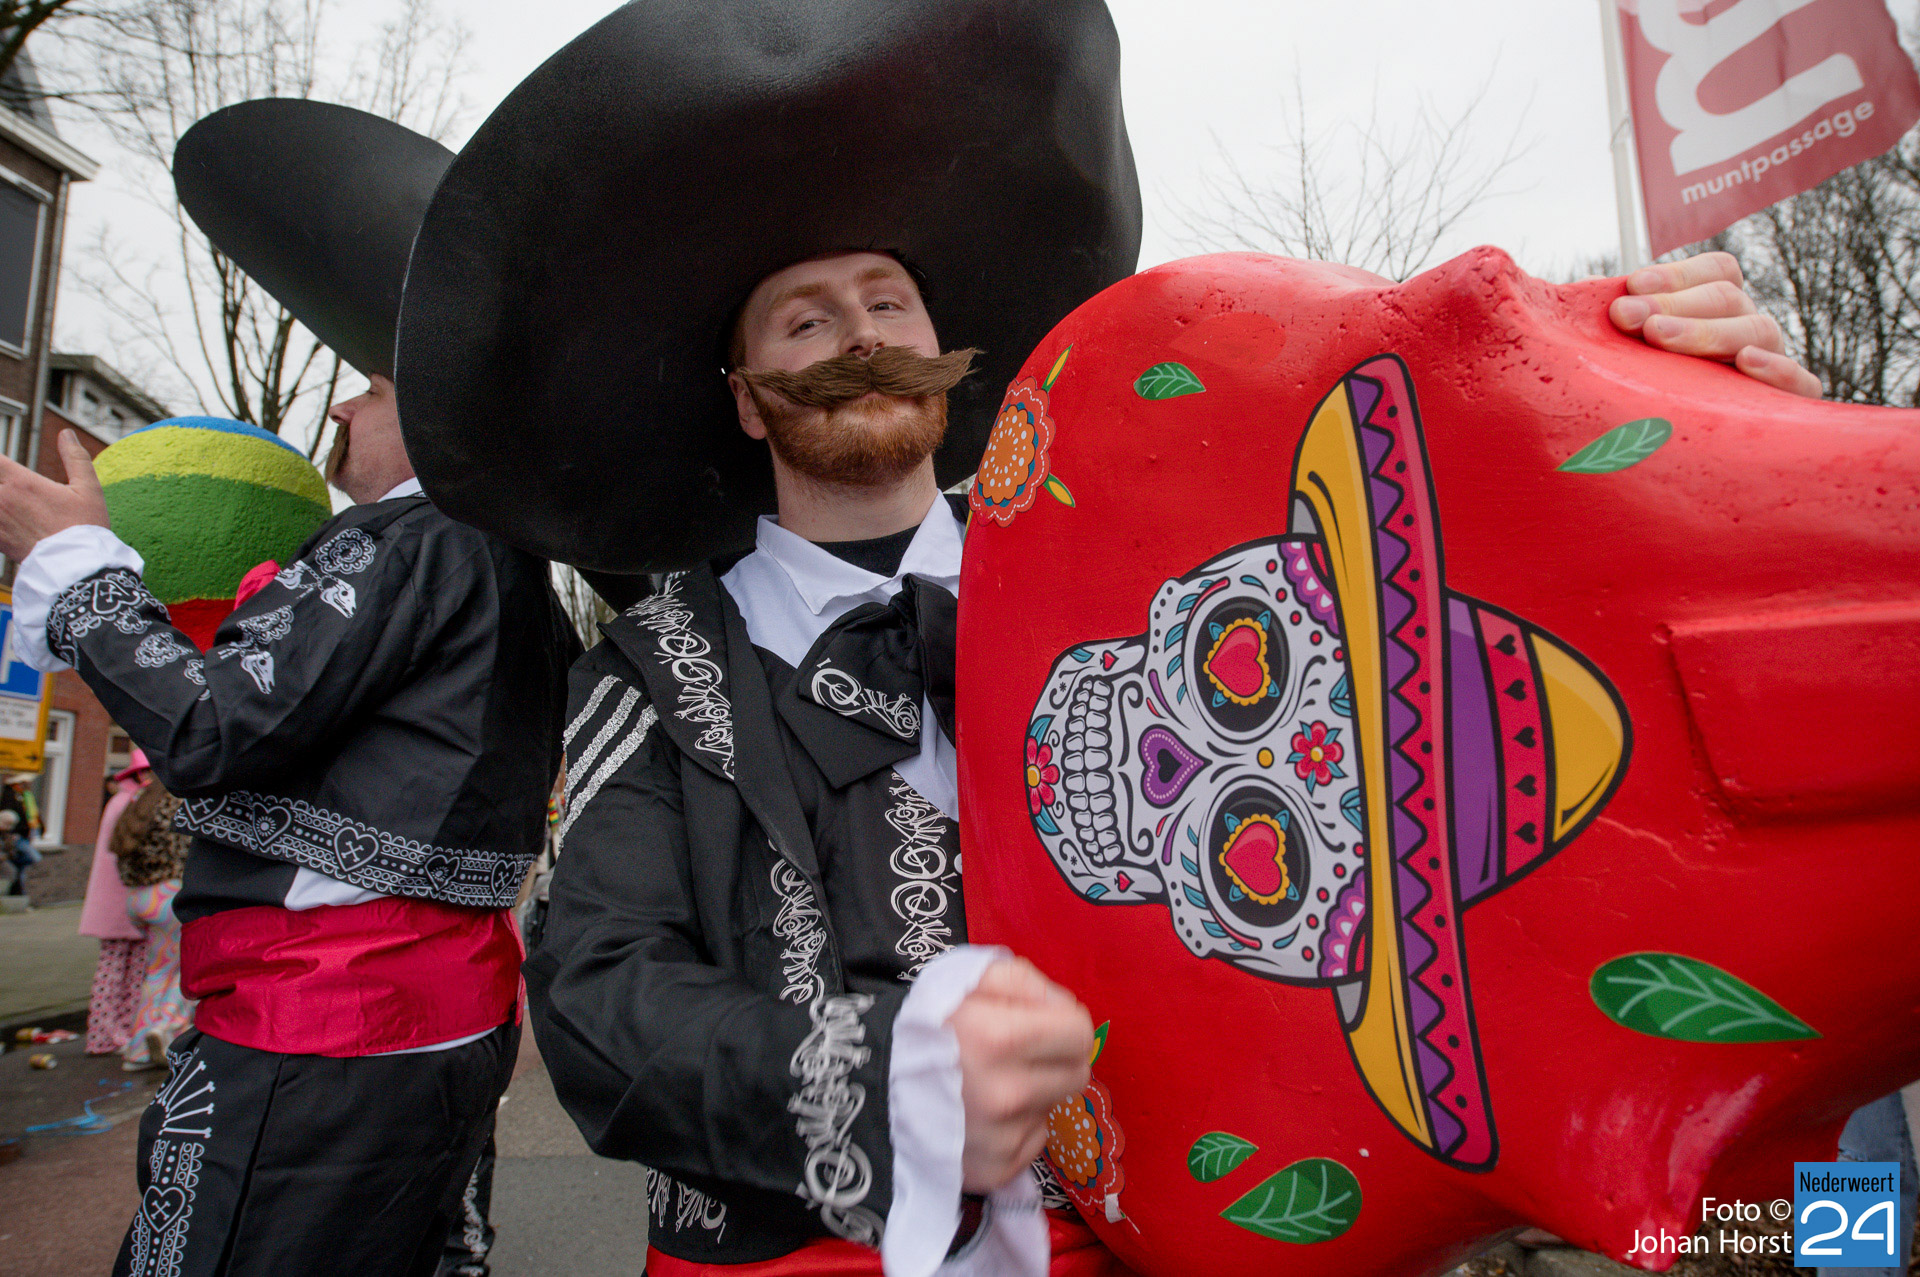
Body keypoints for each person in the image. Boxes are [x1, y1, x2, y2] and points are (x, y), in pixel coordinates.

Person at [392, 3, 1826, 1273]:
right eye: (804, 323)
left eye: (888, 302)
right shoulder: (652, 670)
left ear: (944, 356)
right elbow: (600, 998)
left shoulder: (1142, 572)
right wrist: (888, 1082)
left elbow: (1527, 596)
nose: (860, 336)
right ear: (748, 395)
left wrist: (1722, 431)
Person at [0, 99, 579, 1277]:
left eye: (366, 384)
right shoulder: (510, 571)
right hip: (424, 1031)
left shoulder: (415, 538)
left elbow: (214, 724)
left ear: (435, 403)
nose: (339, 409)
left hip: (318, 1040)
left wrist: (77, 563)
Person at [112, 769, 193, 1071]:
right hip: (169, 895)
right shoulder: (179, 804)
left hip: (139, 897)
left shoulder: (141, 801)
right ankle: (166, 1027)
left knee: (157, 972)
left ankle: (137, 1052)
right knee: (186, 967)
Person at [79, 751, 153, 1055]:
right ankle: (104, 1034)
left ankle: (116, 1031)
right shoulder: (130, 804)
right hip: (123, 899)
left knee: (127, 970)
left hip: (119, 901)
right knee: (116, 971)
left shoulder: (122, 801)